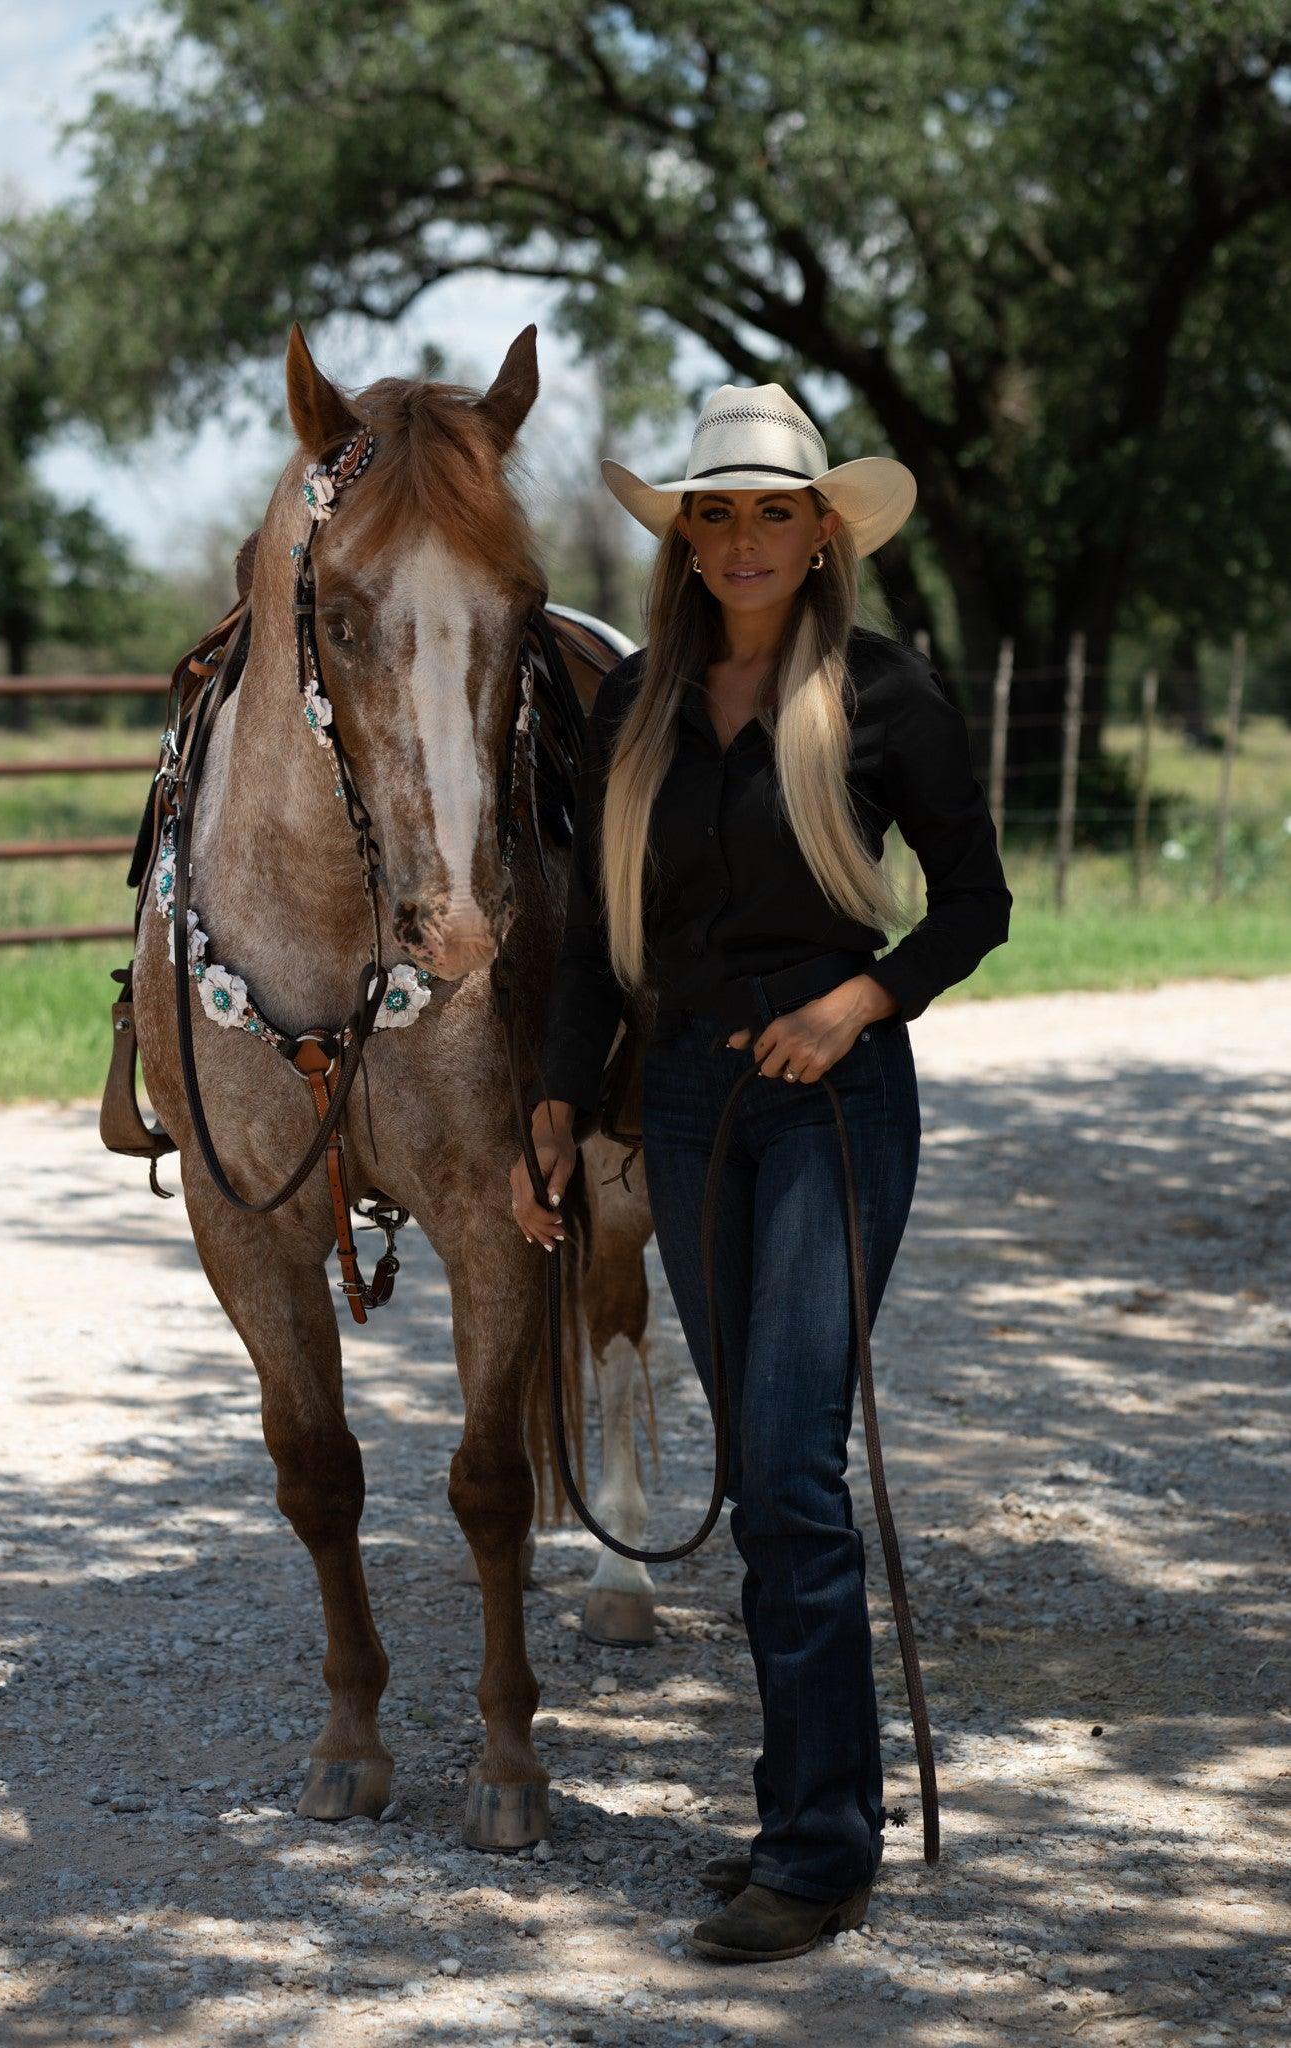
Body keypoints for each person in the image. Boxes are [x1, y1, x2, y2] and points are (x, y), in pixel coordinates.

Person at [509, 381, 1011, 1963]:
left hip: (832, 1107)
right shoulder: (636, 706)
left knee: (790, 1472)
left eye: (770, 511)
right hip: (676, 1105)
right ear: (682, 538)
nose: (741, 538)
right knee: (758, 1470)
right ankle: (801, 1802)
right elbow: (593, 941)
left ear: (818, 535)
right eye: (713, 512)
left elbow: (974, 902)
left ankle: (817, 1850)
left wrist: (857, 999)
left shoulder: (880, 694)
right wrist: (545, 1102)